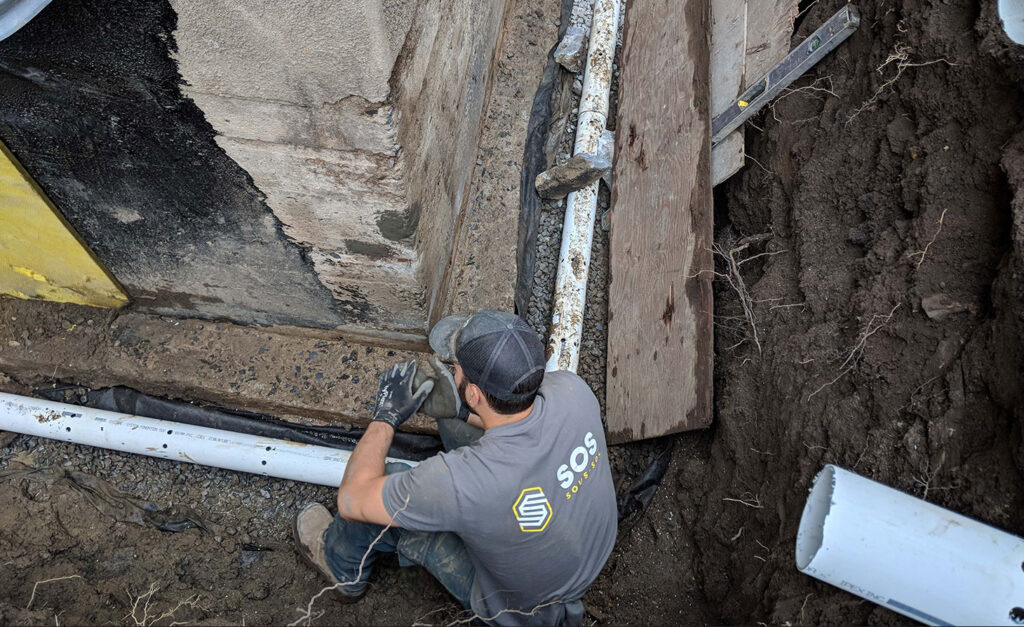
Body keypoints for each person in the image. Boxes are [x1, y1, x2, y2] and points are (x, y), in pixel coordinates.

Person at [293, 310, 617, 626]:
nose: (453, 370)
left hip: (521, 612)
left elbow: (352, 500)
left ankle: (341, 569)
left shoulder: (461, 481)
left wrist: (386, 416)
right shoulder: (573, 391)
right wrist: (461, 412)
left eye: (456, 367)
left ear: (474, 393)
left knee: (388, 487)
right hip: (581, 561)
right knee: (455, 427)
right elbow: (514, 420)